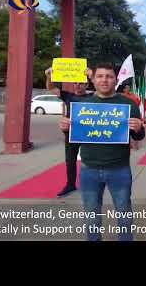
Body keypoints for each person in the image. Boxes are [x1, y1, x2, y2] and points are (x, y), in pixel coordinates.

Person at [58, 63, 145, 241]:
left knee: (124, 213)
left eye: (109, 76)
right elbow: (76, 135)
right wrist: (66, 128)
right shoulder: (82, 105)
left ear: (115, 79)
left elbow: (139, 136)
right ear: (93, 79)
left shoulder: (128, 104)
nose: (104, 80)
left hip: (119, 169)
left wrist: (138, 128)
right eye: (100, 76)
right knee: (91, 214)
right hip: (89, 169)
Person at [45, 66, 91, 198]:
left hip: (89, 134)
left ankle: (90, 184)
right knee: (70, 160)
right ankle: (70, 184)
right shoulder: (68, 96)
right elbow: (52, 88)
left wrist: (92, 74)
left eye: (81, 83)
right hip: (71, 133)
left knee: (89, 160)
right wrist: (49, 76)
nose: (78, 85)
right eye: (75, 83)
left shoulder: (93, 97)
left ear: (87, 84)